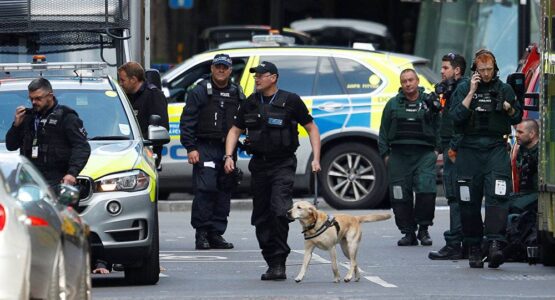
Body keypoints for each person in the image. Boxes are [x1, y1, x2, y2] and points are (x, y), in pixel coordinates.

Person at [224, 61, 321, 281]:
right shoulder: (250, 102)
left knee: (280, 210)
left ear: (273, 78)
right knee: (261, 217)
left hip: (283, 164)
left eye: (261, 75)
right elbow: (234, 130)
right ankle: (271, 261)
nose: (256, 78)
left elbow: (312, 128)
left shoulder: (291, 101)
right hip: (259, 165)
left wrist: (316, 158)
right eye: (255, 75)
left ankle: (279, 262)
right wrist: (229, 156)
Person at [449, 49, 523, 268]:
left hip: (495, 149)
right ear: (475, 71)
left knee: (498, 196)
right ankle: (473, 245)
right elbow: (455, 118)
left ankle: (495, 244)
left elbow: (518, 117)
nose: (487, 73)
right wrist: (471, 92)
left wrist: (508, 107)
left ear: (495, 68)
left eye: (490, 69)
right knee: (468, 199)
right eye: (482, 70)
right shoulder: (464, 88)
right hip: (469, 149)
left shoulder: (504, 89)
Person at [179, 53, 244, 250]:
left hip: (228, 148)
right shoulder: (200, 91)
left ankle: (216, 233)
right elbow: (187, 120)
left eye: (225, 67)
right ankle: (202, 234)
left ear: (230, 70)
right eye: (218, 67)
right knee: (205, 190)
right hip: (205, 146)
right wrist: (191, 148)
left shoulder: (236, 92)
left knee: (224, 190)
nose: (221, 70)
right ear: (212, 69)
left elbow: (244, 120)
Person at [378, 69, 440, 247]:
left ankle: (424, 230)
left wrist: (437, 150)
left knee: (426, 192)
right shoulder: (392, 104)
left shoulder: (429, 102)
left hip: (424, 155)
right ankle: (408, 232)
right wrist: (386, 155)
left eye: (411, 80)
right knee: (399, 195)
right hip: (398, 156)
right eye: (404, 81)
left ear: (417, 80)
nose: (408, 84)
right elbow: (383, 132)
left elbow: (440, 126)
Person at [5, 78, 91, 186]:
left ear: (50, 96)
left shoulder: (66, 117)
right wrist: (16, 126)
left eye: (38, 98)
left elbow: (81, 147)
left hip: (57, 181)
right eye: (31, 99)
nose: (34, 102)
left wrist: (72, 173)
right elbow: (11, 146)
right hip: (30, 182)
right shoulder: (27, 117)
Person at [429, 53, 468, 260]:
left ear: (457, 70)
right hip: (452, 149)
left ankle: (455, 244)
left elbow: (460, 122)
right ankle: (464, 242)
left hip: (457, 151)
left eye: (445, 68)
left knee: (454, 195)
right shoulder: (452, 89)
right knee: (458, 196)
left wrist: (452, 148)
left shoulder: (461, 89)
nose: (442, 72)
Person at [117, 61, 169, 166]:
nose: (120, 84)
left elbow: (162, 128)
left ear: (133, 80)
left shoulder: (154, 95)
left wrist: (140, 140)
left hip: (146, 152)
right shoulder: (125, 96)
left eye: (123, 80)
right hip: (125, 151)